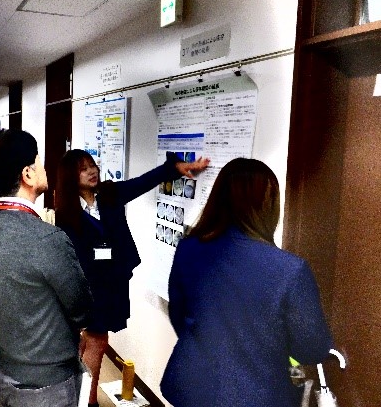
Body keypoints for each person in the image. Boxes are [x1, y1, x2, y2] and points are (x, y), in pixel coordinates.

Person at [160, 158, 333, 407]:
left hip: (192, 387)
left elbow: (178, 313)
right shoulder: (290, 269)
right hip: (255, 396)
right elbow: (311, 349)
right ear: (268, 205)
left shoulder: (189, 248)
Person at [54, 149, 210, 407]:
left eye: (92, 165)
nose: (92, 171)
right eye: (83, 168)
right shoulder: (66, 213)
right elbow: (68, 258)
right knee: (97, 341)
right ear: (70, 176)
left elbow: (142, 183)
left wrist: (174, 169)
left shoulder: (109, 195)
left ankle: (76, 396)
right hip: (88, 288)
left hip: (113, 284)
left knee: (92, 340)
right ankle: (87, 401)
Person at [0, 129, 93, 407]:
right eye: (39, 161)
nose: (44, 168)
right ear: (27, 174)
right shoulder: (47, 239)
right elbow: (82, 310)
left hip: (5, 368)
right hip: (46, 384)